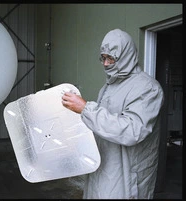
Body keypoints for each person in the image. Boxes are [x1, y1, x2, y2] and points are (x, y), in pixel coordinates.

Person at [61, 29, 164, 199]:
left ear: (126, 56)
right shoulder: (109, 86)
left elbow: (132, 131)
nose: (106, 63)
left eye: (111, 58)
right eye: (103, 58)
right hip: (103, 163)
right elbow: (102, 124)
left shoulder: (148, 88)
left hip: (126, 172)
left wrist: (86, 109)